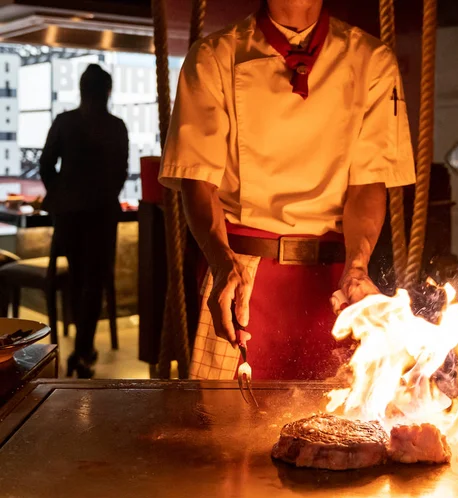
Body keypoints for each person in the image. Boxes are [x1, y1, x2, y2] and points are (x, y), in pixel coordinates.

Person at [159, 0, 415, 380]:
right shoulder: (215, 56)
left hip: (336, 286)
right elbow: (198, 182)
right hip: (241, 279)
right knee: (224, 432)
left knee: (336, 429)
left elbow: (367, 184)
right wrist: (219, 259)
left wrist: (357, 267)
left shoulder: (371, 59)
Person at [40, 64, 129, 378]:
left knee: (79, 279)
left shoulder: (65, 122)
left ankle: (81, 349)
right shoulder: (116, 126)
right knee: (95, 281)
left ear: (81, 90)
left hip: (70, 214)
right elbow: (121, 171)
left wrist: (62, 195)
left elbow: (45, 165)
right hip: (103, 212)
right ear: (107, 91)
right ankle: (83, 350)